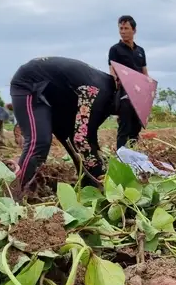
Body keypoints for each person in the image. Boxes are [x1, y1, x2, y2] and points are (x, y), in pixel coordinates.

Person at [10, 56, 117, 189]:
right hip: (29, 84)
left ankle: (88, 187)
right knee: (39, 141)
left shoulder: (107, 91)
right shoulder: (96, 91)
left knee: (70, 137)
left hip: (54, 95)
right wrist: (99, 171)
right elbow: (81, 138)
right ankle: (18, 191)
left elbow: (86, 135)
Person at [108, 15, 148, 149]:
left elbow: (144, 73)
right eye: (121, 28)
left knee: (136, 128)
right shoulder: (115, 49)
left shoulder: (140, 51)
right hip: (125, 94)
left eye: (126, 28)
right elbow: (112, 71)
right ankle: (121, 157)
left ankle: (133, 156)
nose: (123, 31)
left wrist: (147, 93)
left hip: (139, 95)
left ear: (134, 30)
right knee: (124, 127)